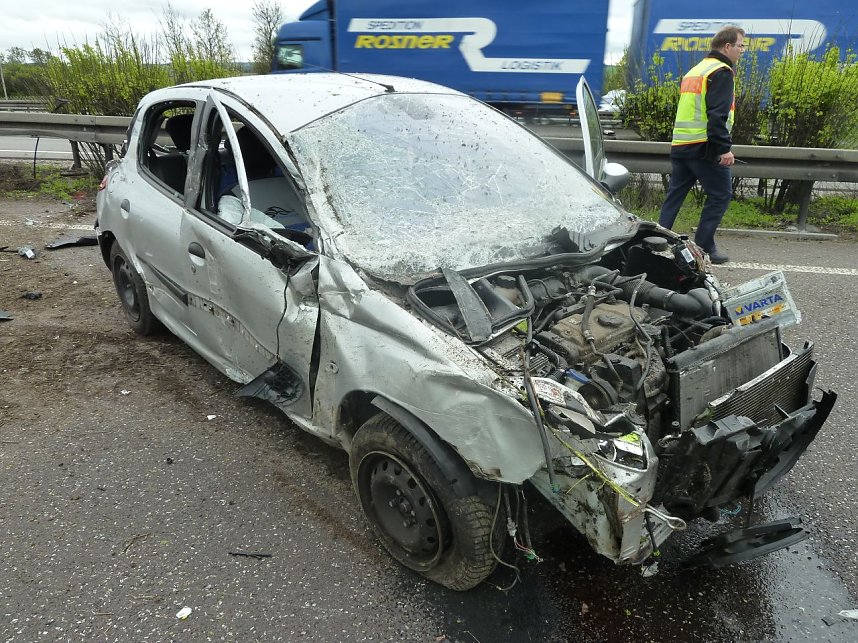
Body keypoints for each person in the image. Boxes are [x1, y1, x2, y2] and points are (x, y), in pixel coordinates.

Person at [658, 25, 745, 264]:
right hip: (704, 147)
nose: (742, 51)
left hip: (681, 144)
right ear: (727, 46)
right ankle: (704, 245)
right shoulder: (722, 71)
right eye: (740, 46)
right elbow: (717, 114)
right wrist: (724, 148)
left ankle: (654, 240)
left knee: (675, 195)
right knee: (721, 195)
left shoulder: (696, 70)